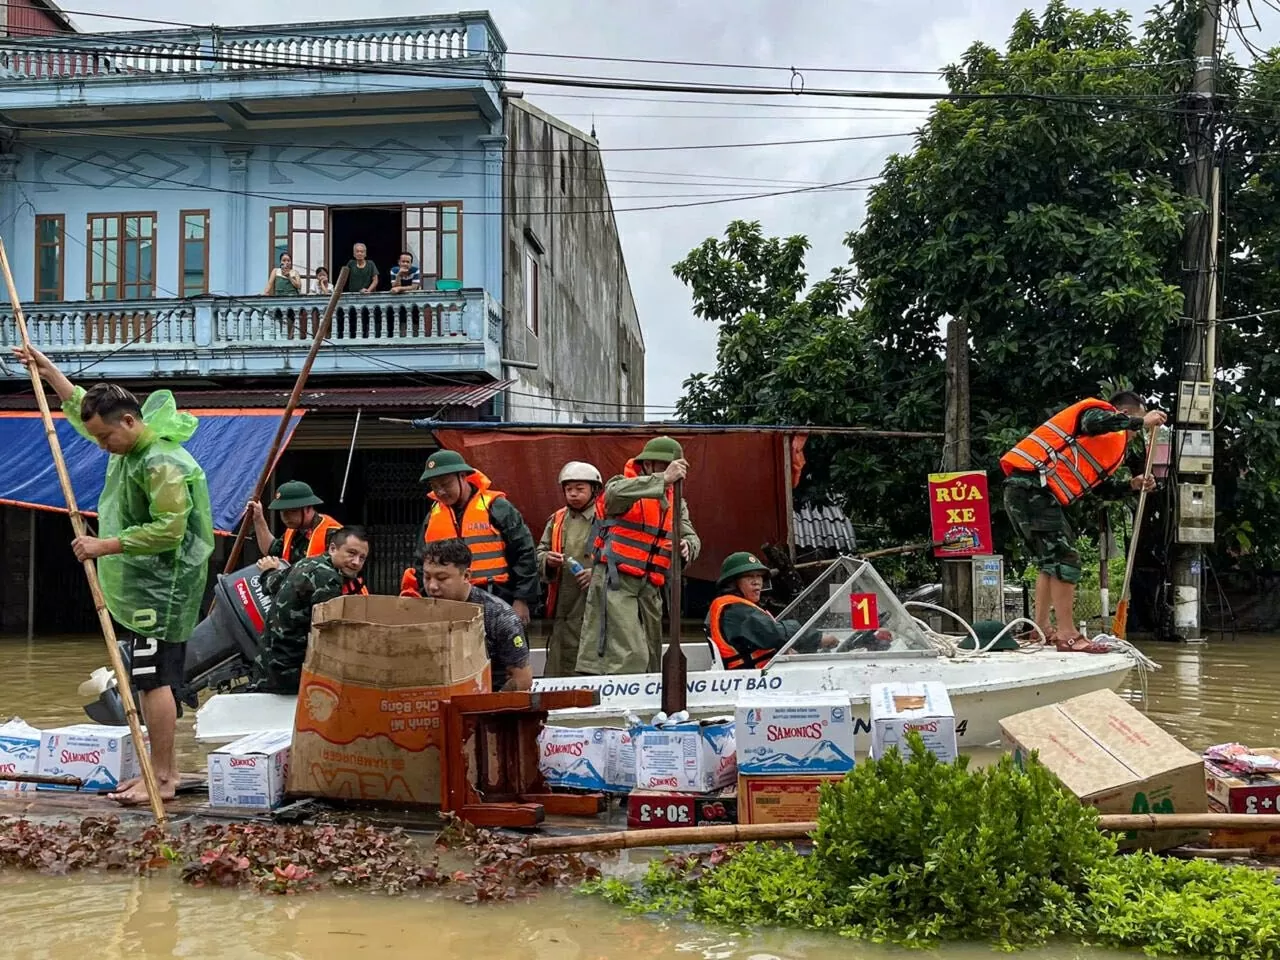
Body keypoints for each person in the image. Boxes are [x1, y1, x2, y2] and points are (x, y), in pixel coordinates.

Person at [13, 346, 214, 807]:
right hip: (146, 583)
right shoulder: (130, 448)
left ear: (129, 422)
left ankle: (161, 777)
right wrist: (50, 373)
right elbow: (84, 406)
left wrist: (103, 545)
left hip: (161, 588)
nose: (101, 446)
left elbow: (169, 529)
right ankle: (163, 769)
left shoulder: (160, 462)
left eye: (106, 438)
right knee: (150, 678)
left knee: (152, 679)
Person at [1001, 391, 1166, 651]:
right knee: (1065, 558)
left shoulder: (1107, 447)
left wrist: (1131, 485)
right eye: (1135, 422)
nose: (1136, 432)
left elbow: (1097, 488)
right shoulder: (1096, 415)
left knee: (1050, 561)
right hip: (1033, 486)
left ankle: (1040, 629)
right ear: (1123, 415)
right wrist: (1140, 421)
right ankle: (1068, 634)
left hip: (1032, 491)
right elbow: (1094, 421)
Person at [576, 436, 700, 676]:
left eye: (671, 467)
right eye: (662, 466)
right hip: (616, 581)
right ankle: (621, 705)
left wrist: (687, 546)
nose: (669, 472)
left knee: (651, 654)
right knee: (630, 654)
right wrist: (662, 479)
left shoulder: (678, 503)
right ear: (647, 465)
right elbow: (612, 495)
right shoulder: (623, 485)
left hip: (650, 587)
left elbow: (691, 535)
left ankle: (647, 704)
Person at [406, 450, 539, 624]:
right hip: (450, 604)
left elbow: (525, 552)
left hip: (497, 597)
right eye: (434, 486)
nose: (440, 491)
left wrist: (522, 599)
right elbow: (421, 561)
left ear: (463, 476)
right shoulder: (433, 516)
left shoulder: (497, 507)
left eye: (445, 484)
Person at [250, 526, 370, 694]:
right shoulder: (328, 578)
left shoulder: (307, 562)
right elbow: (330, 638)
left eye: (362, 558)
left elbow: (270, 584)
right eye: (351, 553)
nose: (356, 562)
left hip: (265, 665)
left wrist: (270, 569)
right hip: (289, 675)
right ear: (333, 548)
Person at [413, 538, 533, 692]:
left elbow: (522, 679)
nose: (432, 587)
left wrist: (487, 707)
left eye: (442, 578)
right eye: (427, 577)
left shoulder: (499, 616)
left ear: (466, 576)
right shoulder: (421, 610)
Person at [705, 552, 837, 669]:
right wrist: (818, 638)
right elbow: (773, 633)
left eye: (759, 576)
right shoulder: (735, 610)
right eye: (749, 576)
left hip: (761, 675)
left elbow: (761, 638)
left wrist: (784, 648)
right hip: (754, 679)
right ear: (732, 583)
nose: (756, 582)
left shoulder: (737, 606)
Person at [536, 461, 602, 676]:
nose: (573, 494)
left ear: (594, 489)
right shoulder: (557, 519)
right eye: (568, 489)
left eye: (580, 489)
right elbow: (539, 552)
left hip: (596, 602)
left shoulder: (606, 519)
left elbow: (620, 557)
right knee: (560, 657)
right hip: (563, 602)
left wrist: (598, 574)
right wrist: (547, 559)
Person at [245, 480, 340, 566]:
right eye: (282, 511)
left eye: (292, 511)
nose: (286, 516)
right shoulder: (293, 531)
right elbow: (271, 550)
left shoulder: (334, 534)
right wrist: (258, 519)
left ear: (308, 508)